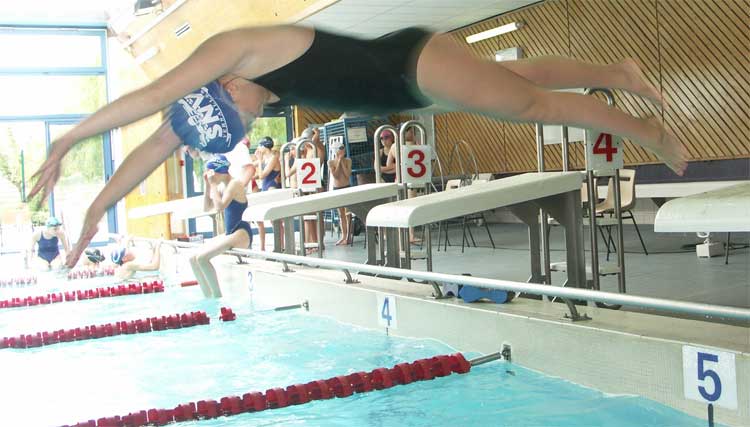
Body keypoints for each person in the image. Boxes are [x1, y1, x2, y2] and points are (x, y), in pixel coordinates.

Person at [29, 25, 687, 267]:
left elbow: (149, 96)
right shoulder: (215, 98)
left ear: (227, 87)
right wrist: (95, 210)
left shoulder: (235, 49)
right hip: (408, 85)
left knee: (529, 107)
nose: (258, 120)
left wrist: (70, 135)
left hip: (410, 64)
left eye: (246, 115)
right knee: (518, 81)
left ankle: (646, 130)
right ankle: (620, 73)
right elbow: (153, 143)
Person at [188, 155, 253, 298]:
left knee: (202, 259)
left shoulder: (234, 184)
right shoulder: (225, 186)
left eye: (211, 173)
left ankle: (217, 298)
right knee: (192, 258)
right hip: (231, 233)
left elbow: (219, 207)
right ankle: (207, 297)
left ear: (218, 171)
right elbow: (207, 208)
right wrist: (207, 186)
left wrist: (212, 185)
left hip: (241, 232)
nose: (209, 176)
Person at [328, 140, 353, 245]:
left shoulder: (348, 161)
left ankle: (348, 236)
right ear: (336, 151)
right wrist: (338, 161)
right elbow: (336, 176)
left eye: (343, 148)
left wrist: (342, 162)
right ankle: (343, 235)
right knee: (341, 214)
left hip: (347, 187)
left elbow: (347, 175)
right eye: (341, 149)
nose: (343, 151)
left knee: (348, 213)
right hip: (337, 189)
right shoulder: (330, 162)